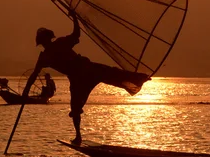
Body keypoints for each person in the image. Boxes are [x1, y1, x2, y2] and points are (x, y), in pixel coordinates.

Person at [22, 9, 150, 145]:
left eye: (45, 39)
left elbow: (76, 34)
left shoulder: (59, 44)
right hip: (77, 77)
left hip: (86, 68)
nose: (45, 41)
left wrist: (75, 18)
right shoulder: (45, 56)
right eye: (44, 40)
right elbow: (34, 75)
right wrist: (25, 91)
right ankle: (78, 136)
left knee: (111, 74)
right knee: (76, 107)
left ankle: (139, 78)